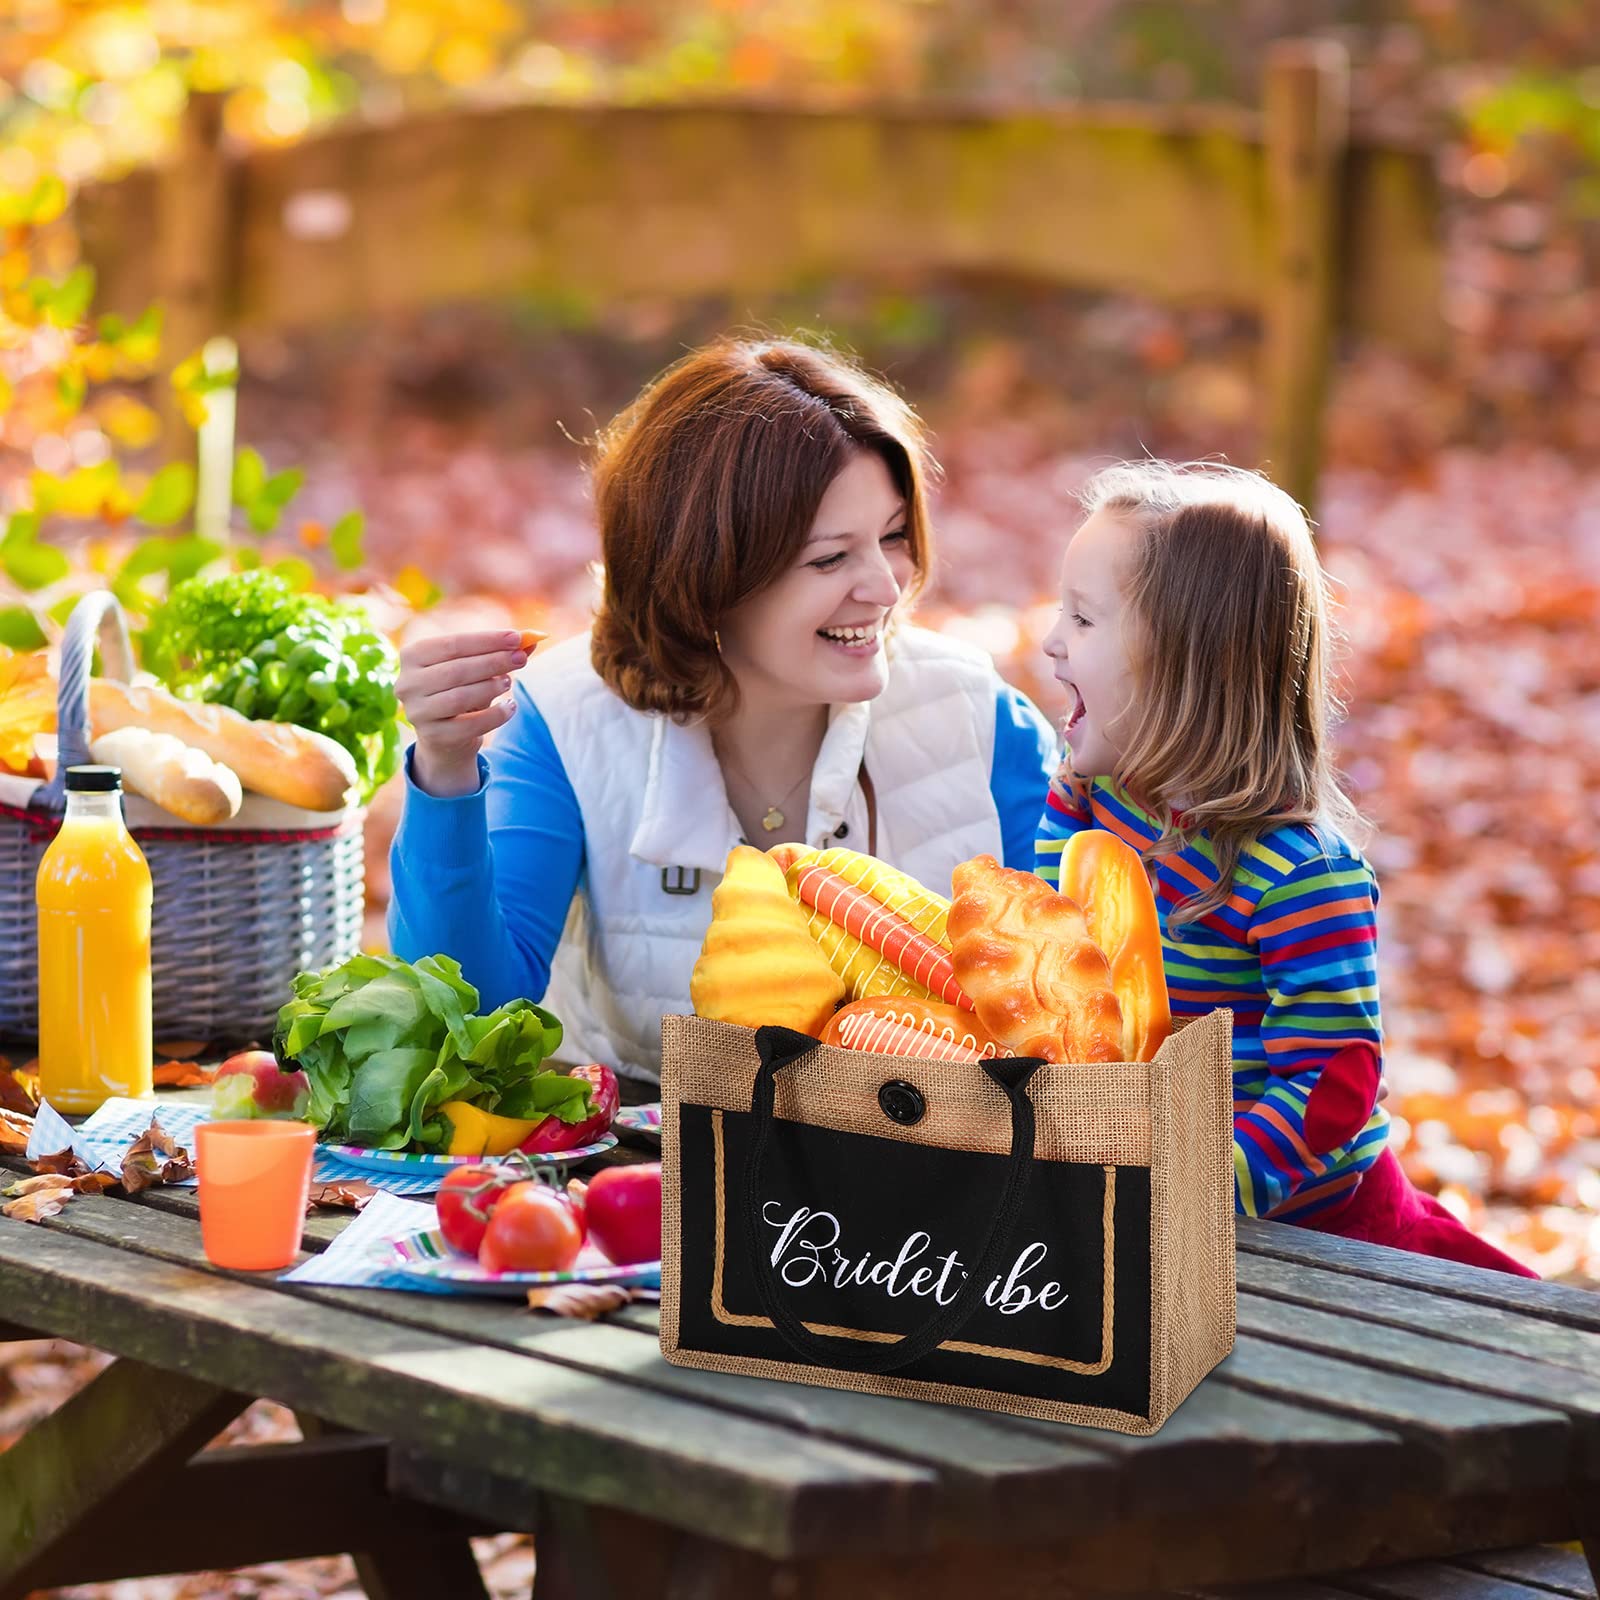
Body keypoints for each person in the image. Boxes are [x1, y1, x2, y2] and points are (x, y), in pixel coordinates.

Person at [389, 337, 1057, 1087]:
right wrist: (445, 771)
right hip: (649, 1175)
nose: (884, 584)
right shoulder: (563, 718)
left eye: (893, 536)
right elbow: (469, 1011)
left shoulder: (982, 720)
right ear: (706, 578)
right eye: (829, 559)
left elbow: (1076, 1009)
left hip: (940, 1170)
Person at [1034, 459, 1534, 1275]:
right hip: (1146, 1193)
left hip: (1321, 1234)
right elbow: (1059, 963)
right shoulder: (1091, 801)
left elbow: (1329, 1088)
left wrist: (1197, 1187)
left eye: (1084, 621)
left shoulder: (1298, 878)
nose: (1051, 641)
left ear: (1187, 662)